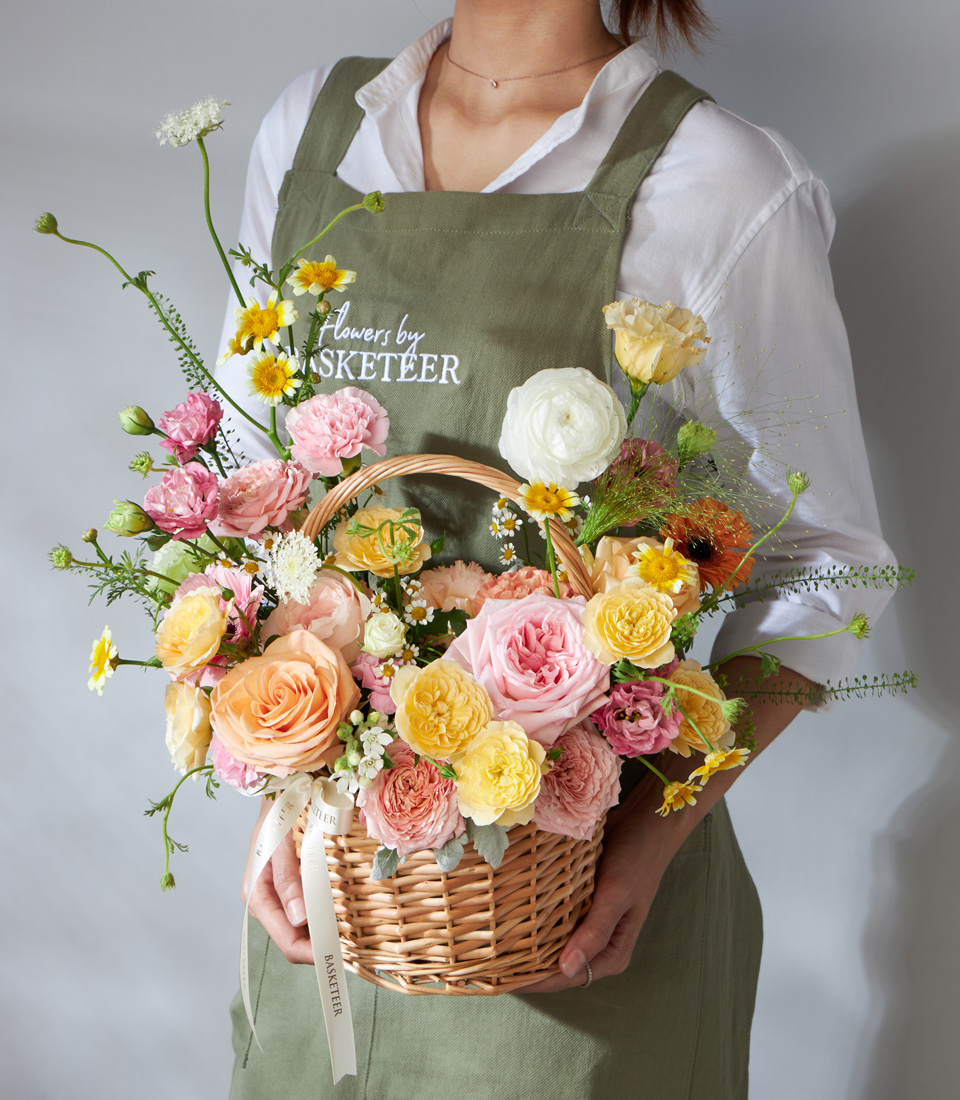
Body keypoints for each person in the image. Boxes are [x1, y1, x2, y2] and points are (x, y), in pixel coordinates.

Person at [216, 2, 895, 1095]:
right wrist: (279, 774)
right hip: (337, 900)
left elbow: (828, 566)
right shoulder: (315, 130)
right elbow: (260, 496)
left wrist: (654, 826)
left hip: (573, 918)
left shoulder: (716, 182)